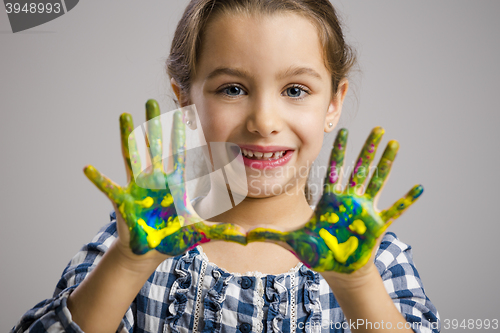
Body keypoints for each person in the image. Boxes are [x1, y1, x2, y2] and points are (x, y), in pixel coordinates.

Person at [11, 0, 440, 332]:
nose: (264, 121)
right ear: (185, 99)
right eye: (232, 89)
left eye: (295, 89)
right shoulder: (130, 242)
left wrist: (358, 284)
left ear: (334, 103)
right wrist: (127, 264)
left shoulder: (376, 258)